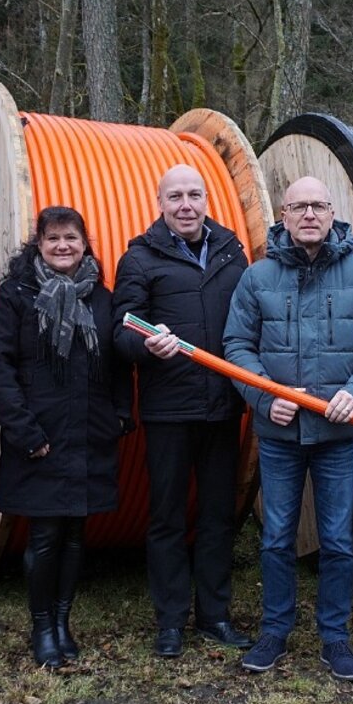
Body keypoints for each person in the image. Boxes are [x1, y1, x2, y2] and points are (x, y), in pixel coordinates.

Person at [224, 176, 353, 682]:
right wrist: (262, 394)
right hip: (278, 438)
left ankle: (335, 638)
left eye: (318, 206)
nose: (309, 215)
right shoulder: (257, 278)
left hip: (337, 438)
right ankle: (274, 631)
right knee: (276, 537)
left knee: (339, 540)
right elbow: (237, 345)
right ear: (282, 214)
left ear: (332, 212)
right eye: (298, 206)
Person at [0, 206, 134, 669]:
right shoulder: (16, 296)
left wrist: (120, 417)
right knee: (45, 536)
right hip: (41, 437)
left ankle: (64, 622)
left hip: (89, 435)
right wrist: (25, 430)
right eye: (53, 239)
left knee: (74, 536)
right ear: (39, 245)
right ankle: (42, 627)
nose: (63, 246)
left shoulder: (101, 298)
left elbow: (119, 363)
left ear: (85, 243)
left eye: (71, 238)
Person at [112, 164, 253, 658]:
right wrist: (148, 346)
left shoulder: (234, 252)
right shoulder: (140, 257)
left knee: (218, 516)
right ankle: (170, 620)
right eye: (176, 197)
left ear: (207, 199)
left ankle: (214, 615)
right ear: (161, 203)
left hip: (222, 407)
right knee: (168, 516)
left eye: (194, 195)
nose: (186, 205)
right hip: (169, 409)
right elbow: (121, 331)